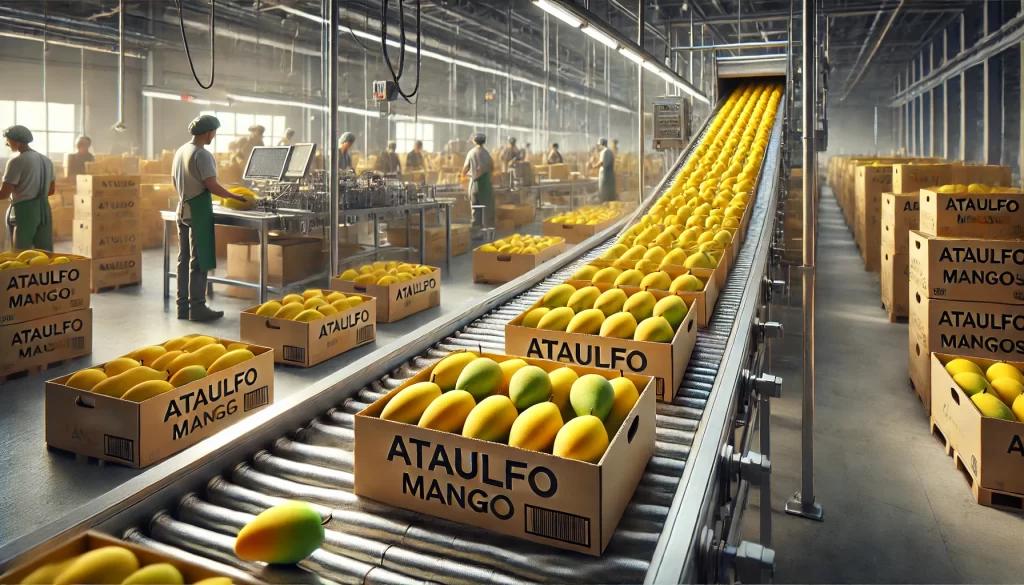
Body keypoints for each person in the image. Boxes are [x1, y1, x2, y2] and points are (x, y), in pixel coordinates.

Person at [172, 115, 248, 322]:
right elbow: (212, 186)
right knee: (200, 261)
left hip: (183, 207)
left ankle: (182, 308)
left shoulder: (181, 151)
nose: (214, 136)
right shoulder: (202, 154)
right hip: (198, 211)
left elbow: (175, 181)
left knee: (183, 259)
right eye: (214, 132)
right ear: (208, 132)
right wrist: (235, 196)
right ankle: (197, 308)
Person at [1, 125, 55, 251]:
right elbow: (51, 190)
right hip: (44, 210)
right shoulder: (47, 160)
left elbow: (3, 194)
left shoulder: (16, 161)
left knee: (20, 254)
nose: (7, 144)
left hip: (23, 211)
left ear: (15, 140)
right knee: (44, 253)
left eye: (7, 140)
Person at [462, 133, 494, 228]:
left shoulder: (471, 153)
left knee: (475, 207)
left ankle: (476, 229)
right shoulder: (487, 153)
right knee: (486, 208)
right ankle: (487, 229)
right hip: (486, 184)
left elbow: (465, 168)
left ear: (474, 141)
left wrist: (462, 177)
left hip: (475, 183)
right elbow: (492, 167)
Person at [591, 137, 616, 202]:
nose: (599, 147)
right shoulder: (610, 151)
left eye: (599, 145)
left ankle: (604, 203)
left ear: (602, 144)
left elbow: (601, 162)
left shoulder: (604, 152)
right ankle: (610, 203)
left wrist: (594, 166)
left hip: (604, 175)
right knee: (609, 192)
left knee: (603, 191)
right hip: (610, 175)